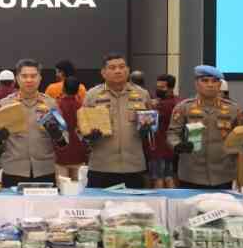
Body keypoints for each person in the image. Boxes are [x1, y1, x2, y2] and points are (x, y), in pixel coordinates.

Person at [167, 65, 243, 190]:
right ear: (196, 84)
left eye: (214, 81)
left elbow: (242, 135)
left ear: (219, 85)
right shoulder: (183, 107)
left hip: (223, 174)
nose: (210, 85)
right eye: (205, 81)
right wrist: (177, 145)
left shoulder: (233, 109)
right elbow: (172, 133)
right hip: (191, 174)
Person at [81, 53, 152, 189]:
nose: (118, 71)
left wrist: (148, 131)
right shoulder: (92, 95)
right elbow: (81, 129)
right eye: (112, 68)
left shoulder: (142, 94)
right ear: (103, 72)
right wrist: (89, 135)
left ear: (128, 70)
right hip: (102, 167)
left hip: (133, 167)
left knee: (134, 203)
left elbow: (152, 127)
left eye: (122, 67)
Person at [0, 59, 66, 187]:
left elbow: (64, 139)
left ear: (40, 78)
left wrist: (57, 134)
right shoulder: (5, 104)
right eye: (24, 76)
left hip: (44, 171)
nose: (29, 80)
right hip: (13, 170)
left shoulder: (51, 104)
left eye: (33, 76)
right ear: (17, 79)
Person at [148, 74, 180, 188]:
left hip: (158, 147)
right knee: (169, 177)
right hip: (170, 148)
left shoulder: (164, 104)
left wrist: (150, 106)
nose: (158, 90)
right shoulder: (178, 101)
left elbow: (148, 120)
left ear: (171, 88)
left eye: (162, 87)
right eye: (157, 87)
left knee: (158, 178)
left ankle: (158, 199)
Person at [54, 77, 88, 180]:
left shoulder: (57, 107)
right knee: (78, 187)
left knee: (63, 187)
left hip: (61, 153)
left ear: (63, 89)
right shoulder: (82, 107)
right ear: (78, 90)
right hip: (79, 152)